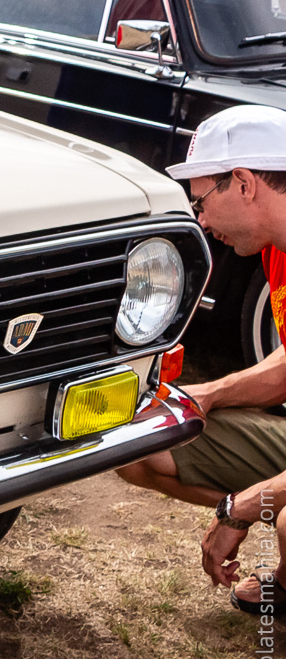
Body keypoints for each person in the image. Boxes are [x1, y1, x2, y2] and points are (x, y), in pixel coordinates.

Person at [113, 106, 286, 613]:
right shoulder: (277, 249)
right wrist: (207, 394)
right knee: (146, 440)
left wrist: (243, 508)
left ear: (244, 183)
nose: (202, 222)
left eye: (203, 202)